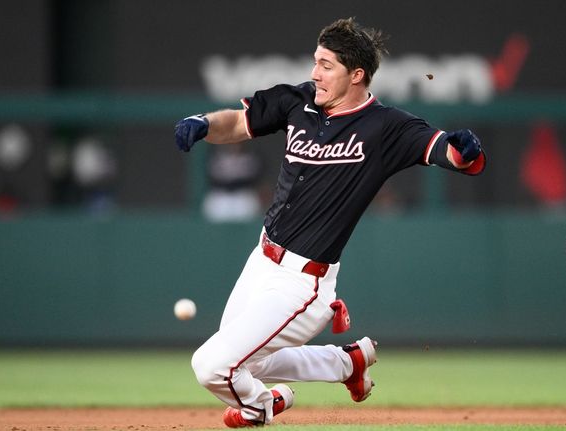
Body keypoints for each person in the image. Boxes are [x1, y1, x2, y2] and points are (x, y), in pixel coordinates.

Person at [174, 17, 486, 428]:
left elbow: (450, 153)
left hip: (303, 282)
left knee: (211, 365)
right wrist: (204, 123)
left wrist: (463, 150)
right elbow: (237, 122)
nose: (314, 73)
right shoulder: (298, 101)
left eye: (326, 65)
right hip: (262, 260)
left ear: (356, 75)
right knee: (249, 361)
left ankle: (260, 407)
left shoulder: (385, 127)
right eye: (315, 61)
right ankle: (347, 362)